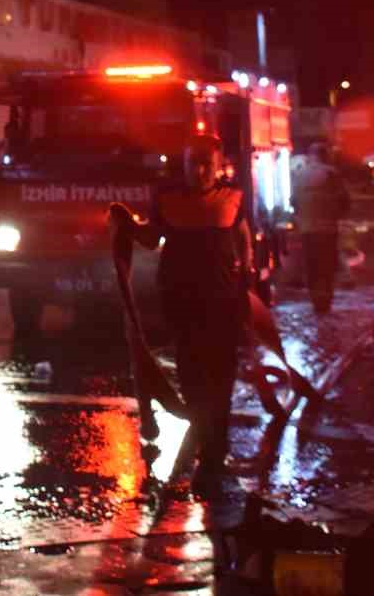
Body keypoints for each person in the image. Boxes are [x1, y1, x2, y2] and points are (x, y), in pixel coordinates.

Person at [152, 134, 253, 489]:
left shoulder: (234, 198)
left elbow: (244, 238)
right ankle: (205, 446)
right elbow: (150, 238)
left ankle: (212, 455)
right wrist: (121, 224)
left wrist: (249, 280)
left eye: (205, 163)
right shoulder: (167, 200)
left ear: (218, 164)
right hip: (183, 305)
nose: (198, 170)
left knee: (221, 381)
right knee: (194, 380)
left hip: (222, 306)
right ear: (183, 164)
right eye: (192, 162)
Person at [292, 143, 352, 313]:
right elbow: (344, 200)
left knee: (312, 265)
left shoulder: (300, 174)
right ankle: (325, 299)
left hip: (307, 229)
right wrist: (337, 215)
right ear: (325, 155)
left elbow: (294, 201)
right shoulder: (331, 174)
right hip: (327, 229)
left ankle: (315, 299)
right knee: (326, 266)